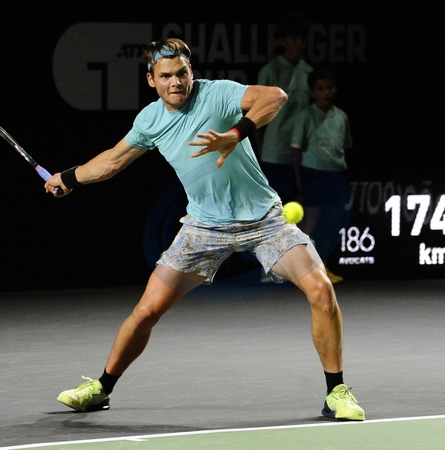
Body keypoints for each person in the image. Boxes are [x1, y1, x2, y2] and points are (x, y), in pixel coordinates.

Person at [45, 38, 364, 422]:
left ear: (191, 71)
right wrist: (68, 178)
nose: (176, 82)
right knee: (146, 311)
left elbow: (275, 96)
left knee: (322, 290)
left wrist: (236, 133)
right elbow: (112, 161)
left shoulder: (218, 94)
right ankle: (102, 388)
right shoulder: (149, 120)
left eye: (182, 73)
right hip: (204, 228)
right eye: (166, 76)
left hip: (264, 220)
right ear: (151, 80)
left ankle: (336, 392)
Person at [291, 67, 353, 284]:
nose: (326, 92)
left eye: (329, 88)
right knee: (312, 221)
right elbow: (296, 149)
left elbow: (344, 148)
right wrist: (299, 180)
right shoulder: (305, 116)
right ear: (312, 92)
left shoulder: (341, 116)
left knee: (331, 222)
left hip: (336, 174)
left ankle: (322, 266)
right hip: (313, 172)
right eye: (320, 89)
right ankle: (298, 268)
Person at [254, 13, 313, 204]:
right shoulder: (270, 71)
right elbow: (256, 115)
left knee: (301, 204)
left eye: (302, 39)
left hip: (302, 154)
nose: (300, 44)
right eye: (294, 38)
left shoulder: (309, 73)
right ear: (284, 41)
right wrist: (262, 150)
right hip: (274, 153)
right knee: (275, 207)